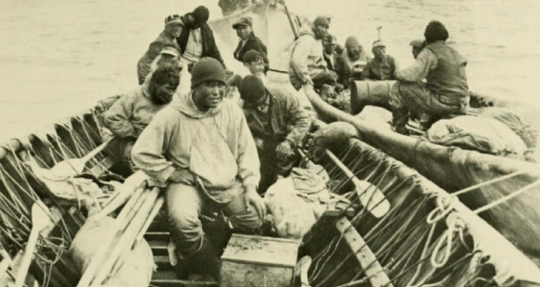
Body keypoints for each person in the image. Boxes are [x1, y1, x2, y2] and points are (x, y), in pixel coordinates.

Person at [131, 58, 264, 280]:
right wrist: (170, 172)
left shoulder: (231, 111)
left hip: (225, 182)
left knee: (254, 217)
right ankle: (207, 263)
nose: (216, 91)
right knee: (182, 221)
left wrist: (250, 187)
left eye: (220, 85)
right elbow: (141, 152)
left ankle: (215, 228)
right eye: (209, 85)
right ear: (195, 87)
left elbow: (246, 152)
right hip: (189, 182)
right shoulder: (172, 114)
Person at [389, 20, 469, 134]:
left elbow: (411, 75)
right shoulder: (455, 52)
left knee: (398, 87)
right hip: (463, 102)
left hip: (444, 103)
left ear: (427, 37)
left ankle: (399, 128)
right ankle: (430, 123)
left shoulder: (429, 51)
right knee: (429, 88)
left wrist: (396, 73)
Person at [239, 75, 311, 193]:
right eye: (254, 106)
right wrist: (255, 142)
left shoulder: (284, 96)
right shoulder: (241, 108)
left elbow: (303, 120)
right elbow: (239, 134)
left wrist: (289, 142)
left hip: (284, 140)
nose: (260, 109)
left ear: (265, 93)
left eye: (262, 104)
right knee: (258, 178)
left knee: (286, 173)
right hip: (260, 145)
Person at [104, 66, 181, 172]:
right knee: (132, 155)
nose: (171, 93)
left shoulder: (175, 101)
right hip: (134, 141)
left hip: (162, 141)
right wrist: (136, 132)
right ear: (156, 85)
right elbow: (112, 118)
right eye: (168, 88)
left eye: (174, 89)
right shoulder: (134, 96)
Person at [289, 16, 337, 91]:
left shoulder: (318, 40)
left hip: (312, 71)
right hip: (300, 76)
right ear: (315, 26)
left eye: (326, 28)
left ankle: (323, 94)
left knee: (333, 75)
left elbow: (320, 60)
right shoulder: (307, 39)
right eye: (321, 26)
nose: (324, 30)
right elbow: (297, 61)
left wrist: (325, 70)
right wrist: (306, 79)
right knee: (329, 77)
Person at [177, 6, 226, 70]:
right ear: (192, 17)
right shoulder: (180, 26)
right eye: (195, 22)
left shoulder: (206, 30)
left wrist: (224, 68)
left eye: (199, 24)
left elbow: (214, 51)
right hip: (182, 64)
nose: (196, 25)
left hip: (199, 66)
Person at [137, 15, 182, 84]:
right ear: (166, 27)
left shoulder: (172, 38)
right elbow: (148, 63)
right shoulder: (160, 42)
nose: (177, 28)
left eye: (179, 26)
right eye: (173, 26)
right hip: (147, 74)